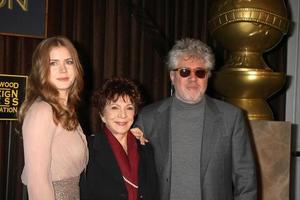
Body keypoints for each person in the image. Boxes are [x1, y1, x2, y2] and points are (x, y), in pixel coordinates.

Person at [135, 38, 257, 200]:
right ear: (172, 76)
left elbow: (246, 178)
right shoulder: (149, 117)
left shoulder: (231, 117)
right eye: (185, 71)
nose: (193, 78)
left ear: (208, 76)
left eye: (200, 72)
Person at [18, 36, 88, 200]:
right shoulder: (42, 111)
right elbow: (38, 183)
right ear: (41, 69)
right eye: (53, 63)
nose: (63, 70)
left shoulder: (66, 109)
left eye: (69, 62)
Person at [80, 77, 159, 200]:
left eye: (129, 108)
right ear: (102, 115)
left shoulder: (146, 149)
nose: (123, 115)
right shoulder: (88, 149)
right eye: (115, 107)